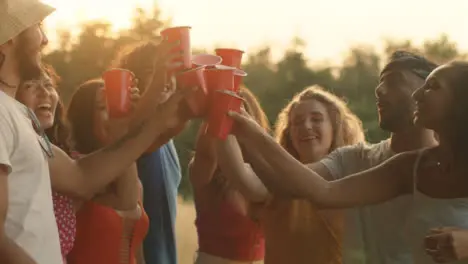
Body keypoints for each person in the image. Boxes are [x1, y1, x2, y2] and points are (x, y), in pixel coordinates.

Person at [0, 0, 191, 263]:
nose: (45, 39)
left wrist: (159, 120)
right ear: (8, 39)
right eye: (37, 26)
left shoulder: (18, 115)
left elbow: (82, 177)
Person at [228, 61, 468, 264]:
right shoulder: (409, 168)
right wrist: (248, 131)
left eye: (433, 87)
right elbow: (323, 191)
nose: (418, 95)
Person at [217, 85, 365, 264]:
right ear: (289, 133)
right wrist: (220, 113)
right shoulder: (273, 177)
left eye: (316, 119)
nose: (306, 126)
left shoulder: (350, 178)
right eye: (297, 121)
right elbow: (238, 173)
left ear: (335, 127)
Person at [110, 42, 183, 264]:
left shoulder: (166, 139)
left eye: (170, 73)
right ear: (134, 82)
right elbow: (136, 135)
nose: (166, 80)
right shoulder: (133, 134)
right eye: (155, 74)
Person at [66, 79, 148, 264]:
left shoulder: (134, 178)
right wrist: (123, 132)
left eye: (119, 106)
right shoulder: (73, 170)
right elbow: (125, 201)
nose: (116, 114)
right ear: (84, 118)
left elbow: (137, 252)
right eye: (104, 107)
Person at [189, 88, 269, 264]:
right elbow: (206, 154)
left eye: (238, 115)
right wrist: (218, 111)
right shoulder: (205, 172)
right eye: (226, 116)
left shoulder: (266, 173)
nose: (231, 123)